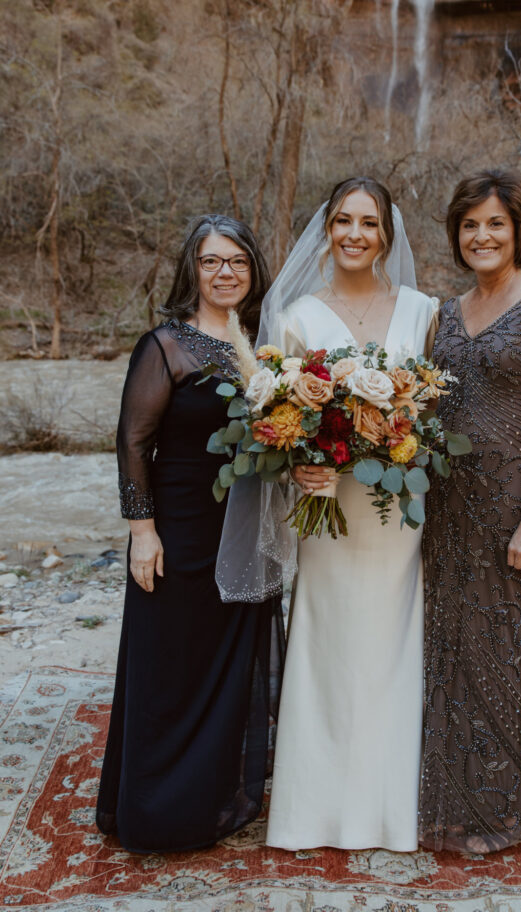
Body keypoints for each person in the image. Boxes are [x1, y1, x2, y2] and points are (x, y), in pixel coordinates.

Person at [218, 177, 438, 851]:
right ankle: (309, 812)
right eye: (342, 220)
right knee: (328, 642)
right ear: (327, 229)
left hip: (392, 510)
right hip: (326, 507)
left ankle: (387, 810)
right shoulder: (297, 316)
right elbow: (273, 421)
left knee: (389, 649)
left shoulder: (424, 309)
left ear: (387, 236)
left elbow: (435, 410)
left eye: (368, 223)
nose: (353, 233)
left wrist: (402, 441)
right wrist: (297, 461)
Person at [96, 214, 283, 853]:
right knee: (170, 664)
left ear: (252, 270)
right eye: (211, 262)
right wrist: (141, 532)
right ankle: (156, 811)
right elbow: (133, 441)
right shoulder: (165, 346)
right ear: (193, 270)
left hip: (245, 530)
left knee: (229, 667)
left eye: (236, 261)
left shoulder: (261, 346)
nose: (225, 272)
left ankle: (213, 794)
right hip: (179, 530)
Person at [418, 169, 521, 854]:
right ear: (456, 235)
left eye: (494, 223)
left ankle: (502, 807)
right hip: (443, 506)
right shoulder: (445, 315)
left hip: (508, 506)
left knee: (504, 648)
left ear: (517, 230)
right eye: (469, 225)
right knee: (446, 646)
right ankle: (446, 800)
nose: (481, 236)